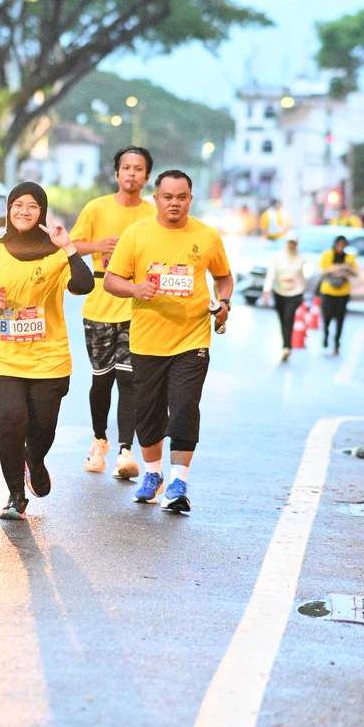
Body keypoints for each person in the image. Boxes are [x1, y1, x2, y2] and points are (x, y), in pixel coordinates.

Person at [104, 169, 233, 513]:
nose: (174, 203)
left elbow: (223, 277)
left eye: (181, 197)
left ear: (190, 199)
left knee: (185, 407)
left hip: (192, 338)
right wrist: (135, 288)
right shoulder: (137, 234)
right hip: (146, 340)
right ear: (156, 199)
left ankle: (178, 482)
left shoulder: (206, 236)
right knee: (148, 413)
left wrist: (224, 303)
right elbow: (111, 280)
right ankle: (153, 474)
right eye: (167, 197)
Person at [0, 182, 94, 520]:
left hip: (49, 359)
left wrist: (69, 247)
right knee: (12, 421)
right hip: (2, 358)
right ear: (9, 209)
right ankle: (15, 496)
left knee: (43, 430)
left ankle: (34, 461)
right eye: (17, 205)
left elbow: (84, 285)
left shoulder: (55, 254)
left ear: (42, 212)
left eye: (32, 206)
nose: (24, 211)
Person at [70, 146, 155, 479]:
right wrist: (99, 246)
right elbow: (71, 246)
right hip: (100, 303)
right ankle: (99, 440)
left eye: (138, 169)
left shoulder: (152, 214)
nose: (132, 173)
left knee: (129, 378)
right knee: (101, 379)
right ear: (117, 173)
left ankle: (125, 450)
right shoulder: (96, 208)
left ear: (147, 176)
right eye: (126, 168)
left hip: (137, 306)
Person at [262, 230, 307, 361]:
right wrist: (266, 291)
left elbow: (303, 277)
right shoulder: (278, 257)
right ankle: (285, 342)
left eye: (294, 243)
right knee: (283, 319)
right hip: (280, 292)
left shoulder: (301, 259)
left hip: (294, 293)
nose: (291, 245)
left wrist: (303, 292)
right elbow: (271, 274)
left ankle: (287, 347)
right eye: (289, 243)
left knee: (289, 317)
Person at [318, 235, 357, 354]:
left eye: (343, 245)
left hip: (343, 292)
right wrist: (338, 267)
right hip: (328, 291)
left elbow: (355, 273)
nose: (340, 247)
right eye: (339, 245)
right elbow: (322, 270)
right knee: (327, 316)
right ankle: (326, 335)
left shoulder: (349, 257)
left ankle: (337, 343)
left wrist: (348, 269)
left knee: (340, 318)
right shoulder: (327, 255)